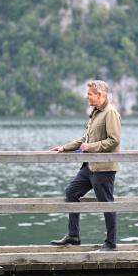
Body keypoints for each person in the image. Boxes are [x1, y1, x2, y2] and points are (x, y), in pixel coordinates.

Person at [50, 80, 121, 251]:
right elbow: (86, 139)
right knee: (71, 192)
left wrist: (91, 147)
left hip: (104, 168)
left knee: (106, 203)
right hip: (89, 166)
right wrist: (65, 147)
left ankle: (111, 244)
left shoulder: (110, 113)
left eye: (90, 94)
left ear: (100, 95)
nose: (87, 97)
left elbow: (114, 140)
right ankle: (73, 235)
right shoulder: (96, 112)